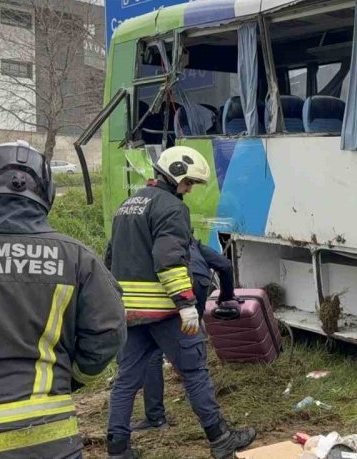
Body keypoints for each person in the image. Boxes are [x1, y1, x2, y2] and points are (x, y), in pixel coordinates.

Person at [0, 140, 126, 458]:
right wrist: (72, 378)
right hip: (50, 441)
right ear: (45, 193)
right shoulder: (76, 257)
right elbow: (109, 331)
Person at [104, 146, 254, 459]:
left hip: (131, 313)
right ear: (173, 174)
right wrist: (186, 304)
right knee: (195, 371)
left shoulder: (127, 205)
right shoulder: (172, 208)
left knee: (126, 381)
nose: (189, 189)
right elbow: (169, 259)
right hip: (166, 311)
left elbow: (110, 258)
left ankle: (118, 449)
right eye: (188, 182)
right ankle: (221, 439)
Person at [131, 238, 237, 431]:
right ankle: (198, 396)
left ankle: (156, 417)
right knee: (193, 346)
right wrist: (226, 296)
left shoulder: (145, 242)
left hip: (170, 286)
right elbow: (225, 265)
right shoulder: (191, 242)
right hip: (199, 281)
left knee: (154, 354)